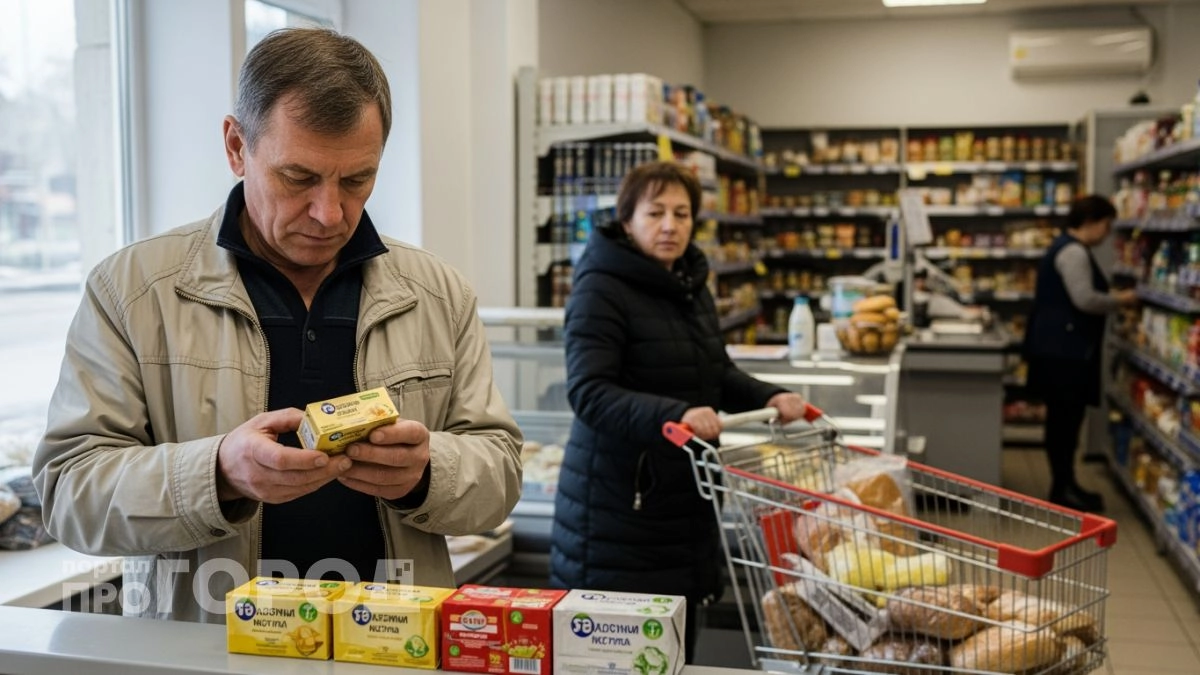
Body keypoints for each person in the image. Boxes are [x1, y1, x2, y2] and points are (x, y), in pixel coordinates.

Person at [32, 28, 522, 623]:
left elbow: (500, 472)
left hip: (395, 650)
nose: (329, 212)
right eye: (299, 178)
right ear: (237, 146)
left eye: (357, 180)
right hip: (209, 655)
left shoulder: (439, 293)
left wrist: (427, 474)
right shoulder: (132, 290)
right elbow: (68, 492)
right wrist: (216, 472)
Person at [549, 161, 809, 662]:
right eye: (656, 212)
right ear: (627, 221)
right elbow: (588, 392)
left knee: (674, 655)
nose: (670, 225)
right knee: (622, 660)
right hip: (619, 516)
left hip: (682, 506)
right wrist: (677, 415)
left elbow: (716, 373)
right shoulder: (600, 287)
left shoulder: (690, 284)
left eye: (682, 213)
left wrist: (771, 397)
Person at [1025, 194, 1137, 512]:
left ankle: (1065, 483)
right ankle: (1062, 488)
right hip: (1064, 353)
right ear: (1090, 222)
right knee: (1064, 423)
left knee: (1063, 422)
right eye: (1106, 225)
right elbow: (1084, 299)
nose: (1106, 233)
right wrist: (1121, 299)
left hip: (1058, 349)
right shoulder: (1073, 252)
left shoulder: (1066, 247)